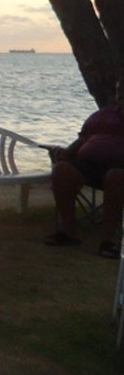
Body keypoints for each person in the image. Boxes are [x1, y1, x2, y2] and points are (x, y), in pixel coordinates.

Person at [44, 78, 124, 258]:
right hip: (89, 165)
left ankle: (108, 240)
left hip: (120, 169)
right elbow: (82, 139)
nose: (121, 95)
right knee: (62, 170)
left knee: (115, 176)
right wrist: (64, 153)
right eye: (119, 91)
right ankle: (69, 232)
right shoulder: (103, 115)